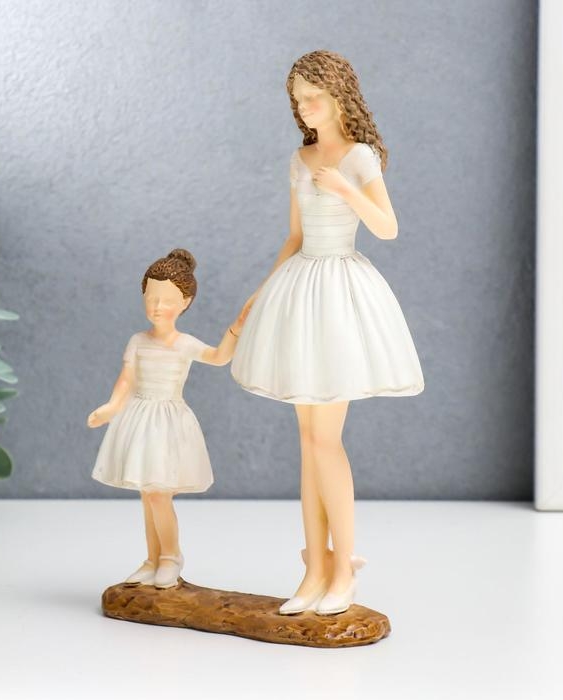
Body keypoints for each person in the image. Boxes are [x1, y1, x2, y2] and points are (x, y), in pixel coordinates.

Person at [230, 50, 425, 615]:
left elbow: (387, 228)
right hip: (301, 288)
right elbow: (294, 237)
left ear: (339, 97)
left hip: (339, 294)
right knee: (307, 440)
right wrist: (261, 292)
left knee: (325, 439)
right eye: (298, 99)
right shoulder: (300, 158)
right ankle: (314, 569)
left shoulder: (359, 157)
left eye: (313, 97)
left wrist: (345, 189)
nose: (305, 108)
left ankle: (344, 571)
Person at [88, 248, 247, 588]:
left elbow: (218, 357)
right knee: (148, 495)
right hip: (139, 419)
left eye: (167, 300)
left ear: (186, 302)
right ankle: (152, 558)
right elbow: (126, 380)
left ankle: (171, 556)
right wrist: (112, 407)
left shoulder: (184, 343)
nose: (157, 307)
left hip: (168, 422)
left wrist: (235, 330)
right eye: (151, 299)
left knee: (159, 494)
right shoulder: (138, 341)